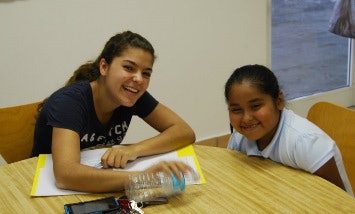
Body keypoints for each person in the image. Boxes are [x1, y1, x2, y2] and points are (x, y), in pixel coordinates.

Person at [31, 31, 196, 193]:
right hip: (43, 189)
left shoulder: (131, 94)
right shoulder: (68, 103)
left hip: (96, 186)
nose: (138, 79)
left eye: (146, 73)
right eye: (129, 67)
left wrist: (134, 150)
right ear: (104, 67)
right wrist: (143, 177)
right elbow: (66, 176)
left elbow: (184, 131)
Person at [224, 64, 354, 196]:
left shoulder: (306, 143)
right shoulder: (239, 138)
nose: (246, 118)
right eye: (236, 109)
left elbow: (338, 201)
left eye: (256, 106)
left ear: (279, 101)